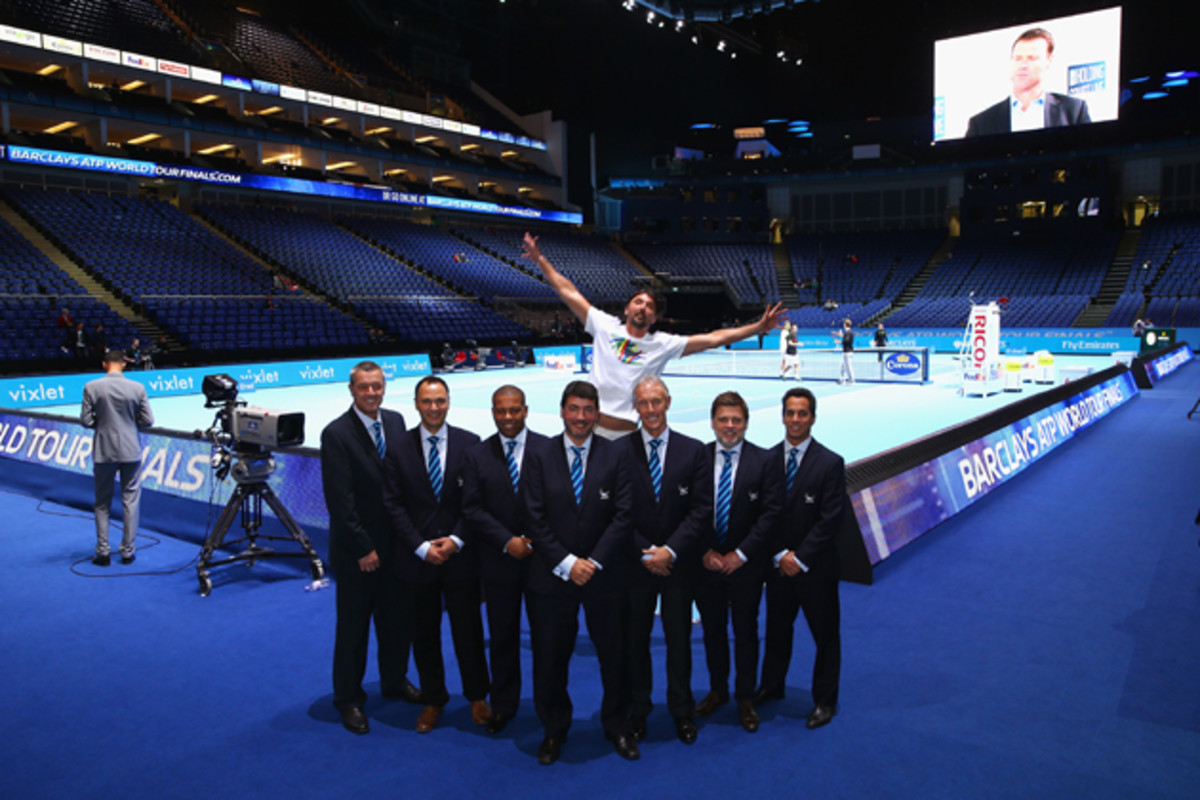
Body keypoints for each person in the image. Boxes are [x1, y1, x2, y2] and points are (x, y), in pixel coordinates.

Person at [521, 233, 786, 438]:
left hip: (628, 433)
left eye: (649, 306)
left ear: (655, 318)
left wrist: (756, 327)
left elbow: (714, 338)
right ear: (627, 308)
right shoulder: (604, 325)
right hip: (588, 428)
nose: (643, 307)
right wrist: (540, 260)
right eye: (638, 302)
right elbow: (569, 292)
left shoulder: (663, 344)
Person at [523, 380, 638, 764]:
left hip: (605, 576)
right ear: (562, 411)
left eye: (588, 410)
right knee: (550, 659)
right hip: (553, 577)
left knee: (615, 657)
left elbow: (624, 515)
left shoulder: (616, 454)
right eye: (574, 409)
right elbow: (534, 517)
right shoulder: (538, 454)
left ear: (597, 414)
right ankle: (554, 730)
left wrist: (593, 561)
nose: (581, 418)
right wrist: (568, 563)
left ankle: (618, 726)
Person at [381, 376, 490, 734]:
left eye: (440, 401)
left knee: (468, 631)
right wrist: (421, 546)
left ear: (448, 402)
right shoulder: (397, 448)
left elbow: (475, 503)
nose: (433, 408)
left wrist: (456, 539)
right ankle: (434, 698)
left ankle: (477, 695)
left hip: (460, 558)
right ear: (416, 403)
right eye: (427, 401)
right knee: (423, 633)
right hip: (417, 560)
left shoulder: (470, 445)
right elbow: (393, 505)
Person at [319, 361, 419, 736]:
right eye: (365, 387)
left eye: (377, 386)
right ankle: (348, 698)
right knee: (353, 629)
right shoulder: (336, 434)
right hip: (357, 553)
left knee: (396, 623)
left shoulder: (395, 422)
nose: (372, 393)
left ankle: (394, 681)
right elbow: (339, 502)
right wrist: (363, 547)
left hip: (395, 549)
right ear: (352, 390)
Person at [622, 376, 712, 745]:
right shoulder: (618, 452)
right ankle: (638, 711)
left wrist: (669, 551)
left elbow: (701, 509)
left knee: (678, 642)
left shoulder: (694, 452)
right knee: (636, 644)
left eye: (656, 401)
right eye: (643, 403)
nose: (650, 410)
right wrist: (647, 553)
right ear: (636, 407)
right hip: (636, 566)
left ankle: (681, 710)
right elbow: (617, 512)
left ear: (668, 401)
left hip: (678, 566)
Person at [756, 387, 848, 731]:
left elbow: (830, 520)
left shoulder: (830, 463)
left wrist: (801, 557)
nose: (795, 420)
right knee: (777, 630)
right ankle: (772, 685)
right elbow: (763, 515)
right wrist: (781, 554)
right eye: (790, 413)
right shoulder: (766, 462)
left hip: (816, 570)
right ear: (782, 416)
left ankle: (825, 700)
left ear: (813, 417)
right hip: (778, 567)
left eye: (802, 413)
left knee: (825, 636)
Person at [461, 385, 550, 735]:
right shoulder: (477, 454)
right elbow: (472, 508)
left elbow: (557, 504)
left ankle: (548, 706)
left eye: (514, 410)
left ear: (525, 410)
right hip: (498, 562)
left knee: (546, 640)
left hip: (542, 561)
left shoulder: (549, 448)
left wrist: (534, 541)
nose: (508, 417)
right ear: (493, 412)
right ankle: (504, 704)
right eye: (501, 410)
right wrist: (506, 541)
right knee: (502, 638)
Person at [694, 392, 784, 733]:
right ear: (713, 421)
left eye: (736, 420)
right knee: (713, 632)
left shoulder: (765, 461)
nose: (730, 427)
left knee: (746, 632)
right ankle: (718, 691)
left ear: (746, 422)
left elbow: (770, 514)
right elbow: (690, 512)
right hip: (706, 566)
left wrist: (741, 554)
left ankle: (745, 697)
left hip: (746, 567)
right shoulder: (697, 458)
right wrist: (704, 551)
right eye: (723, 420)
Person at [80, 350, 154, 566]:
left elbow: (85, 420)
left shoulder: (91, 387)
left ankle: (103, 552)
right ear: (123, 364)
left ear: (104, 364)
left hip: (104, 450)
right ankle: (128, 552)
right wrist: (130, 426)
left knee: (102, 502)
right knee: (130, 501)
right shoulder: (137, 388)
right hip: (130, 449)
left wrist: (103, 425)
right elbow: (148, 420)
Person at [965, 27, 1091, 138]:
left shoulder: (1074, 111)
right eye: (1018, 58)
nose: (1023, 65)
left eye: (1032, 58)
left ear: (1049, 61)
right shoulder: (981, 124)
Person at [831, 318, 856, 385]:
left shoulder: (849, 333)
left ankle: (852, 380)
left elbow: (846, 341)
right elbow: (845, 337)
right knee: (842, 366)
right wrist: (840, 335)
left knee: (848, 366)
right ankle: (842, 379)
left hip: (848, 352)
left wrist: (839, 341)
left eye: (844, 324)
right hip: (846, 352)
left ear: (845, 325)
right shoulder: (848, 333)